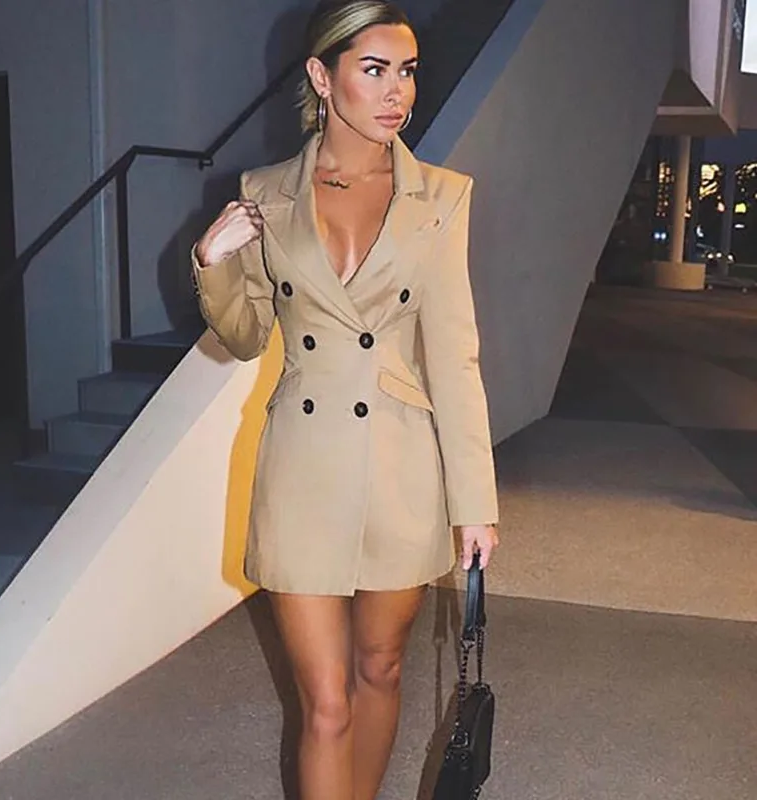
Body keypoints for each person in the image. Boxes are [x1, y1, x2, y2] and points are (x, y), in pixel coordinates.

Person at [191, 2, 500, 797]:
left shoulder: (443, 198)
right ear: (322, 78)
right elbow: (244, 336)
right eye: (375, 70)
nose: (398, 92)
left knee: (381, 668)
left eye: (408, 72)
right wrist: (213, 261)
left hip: (401, 465)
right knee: (324, 704)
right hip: (303, 465)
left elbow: (455, 356)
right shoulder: (264, 193)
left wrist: (476, 502)